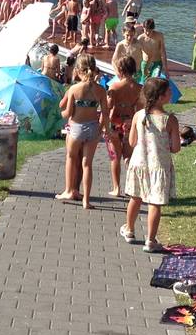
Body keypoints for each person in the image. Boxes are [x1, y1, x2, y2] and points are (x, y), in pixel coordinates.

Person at [119, 76, 180, 253]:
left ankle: (129, 230)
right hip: (159, 166)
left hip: (139, 163)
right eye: (168, 91)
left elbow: (131, 142)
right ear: (161, 97)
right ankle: (151, 240)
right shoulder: (170, 120)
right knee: (154, 203)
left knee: (135, 197)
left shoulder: (139, 115)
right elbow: (175, 148)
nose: (171, 93)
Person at [57, 55, 109, 209]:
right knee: (87, 164)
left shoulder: (74, 89)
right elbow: (105, 113)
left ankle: (68, 190)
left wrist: (58, 115)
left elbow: (67, 113)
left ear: (78, 70)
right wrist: (102, 128)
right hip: (93, 128)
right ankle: (86, 199)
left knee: (71, 158)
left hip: (76, 128)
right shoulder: (100, 90)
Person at [105, 55, 142, 199]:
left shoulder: (114, 87)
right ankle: (133, 186)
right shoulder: (139, 88)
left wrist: (103, 125)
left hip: (115, 123)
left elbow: (108, 107)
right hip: (130, 124)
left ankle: (116, 188)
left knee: (115, 157)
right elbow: (140, 109)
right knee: (129, 157)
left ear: (120, 69)